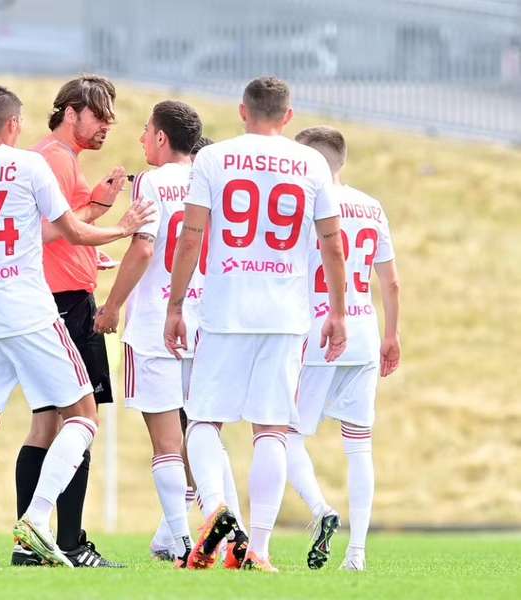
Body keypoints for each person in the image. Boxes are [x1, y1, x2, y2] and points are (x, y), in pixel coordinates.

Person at [0, 85, 154, 567]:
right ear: (13, 124)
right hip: (30, 311)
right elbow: (70, 229)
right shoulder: (29, 165)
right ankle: (36, 518)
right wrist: (125, 225)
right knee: (83, 416)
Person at [164, 76, 348, 572]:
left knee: (203, 420)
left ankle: (217, 509)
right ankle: (259, 549)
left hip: (226, 309)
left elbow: (192, 235)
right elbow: (333, 243)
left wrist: (176, 304)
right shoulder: (310, 163)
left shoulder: (213, 158)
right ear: (288, 118)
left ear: (243, 111)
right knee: (272, 429)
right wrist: (338, 310)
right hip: (285, 315)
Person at [93, 104, 248, 568]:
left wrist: (112, 306)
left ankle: (182, 541)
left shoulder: (151, 182)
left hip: (157, 321)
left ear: (161, 138)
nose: (141, 139)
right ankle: (221, 527)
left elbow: (143, 248)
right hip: (209, 323)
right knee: (203, 434)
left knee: (165, 442)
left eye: (145, 131)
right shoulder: (215, 181)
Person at [13, 75, 127, 568]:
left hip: (51, 296)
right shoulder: (55, 158)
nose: (107, 126)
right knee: (82, 420)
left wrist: (89, 243)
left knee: (46, 423)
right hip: (65, 305)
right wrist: (108, 216)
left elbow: (58, 229)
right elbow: (45, 228)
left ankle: (29, 547)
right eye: (99, 115)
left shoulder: (53, 157)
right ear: (72, 110)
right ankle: (69, 542)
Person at [286, 126, 401, 572]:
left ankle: (320, 509)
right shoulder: (371, 206)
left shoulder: (304, 205)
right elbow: (389, 279)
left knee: (282, 432)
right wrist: (392, 334)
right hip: (365, 332)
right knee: (359, 446)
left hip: (318, 330)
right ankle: (358, 553)